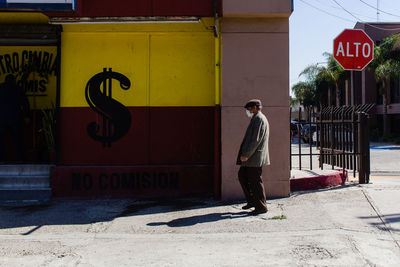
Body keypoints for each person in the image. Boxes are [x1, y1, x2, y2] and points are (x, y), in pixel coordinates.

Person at [236, 99, 270, 215]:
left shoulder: (259, 119)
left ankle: (261, 207)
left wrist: (246, 154)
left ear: (255, 107)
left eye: (249, 109)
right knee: (243, 176)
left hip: (254, 157)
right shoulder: (256, 118)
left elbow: (255, 139)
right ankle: (252, 201)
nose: (248, 111)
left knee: (255, 182)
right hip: (251, 157)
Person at [0, 74, 31, 162]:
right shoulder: (18, 88)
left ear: (5, 80)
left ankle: (1, 159)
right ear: (14, 80)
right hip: (15, 118)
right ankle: (19, 159)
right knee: (17, 140)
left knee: (1, 141)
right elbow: (25, 103)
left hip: (1, 119)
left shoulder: (0, 88)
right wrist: (27, 116)